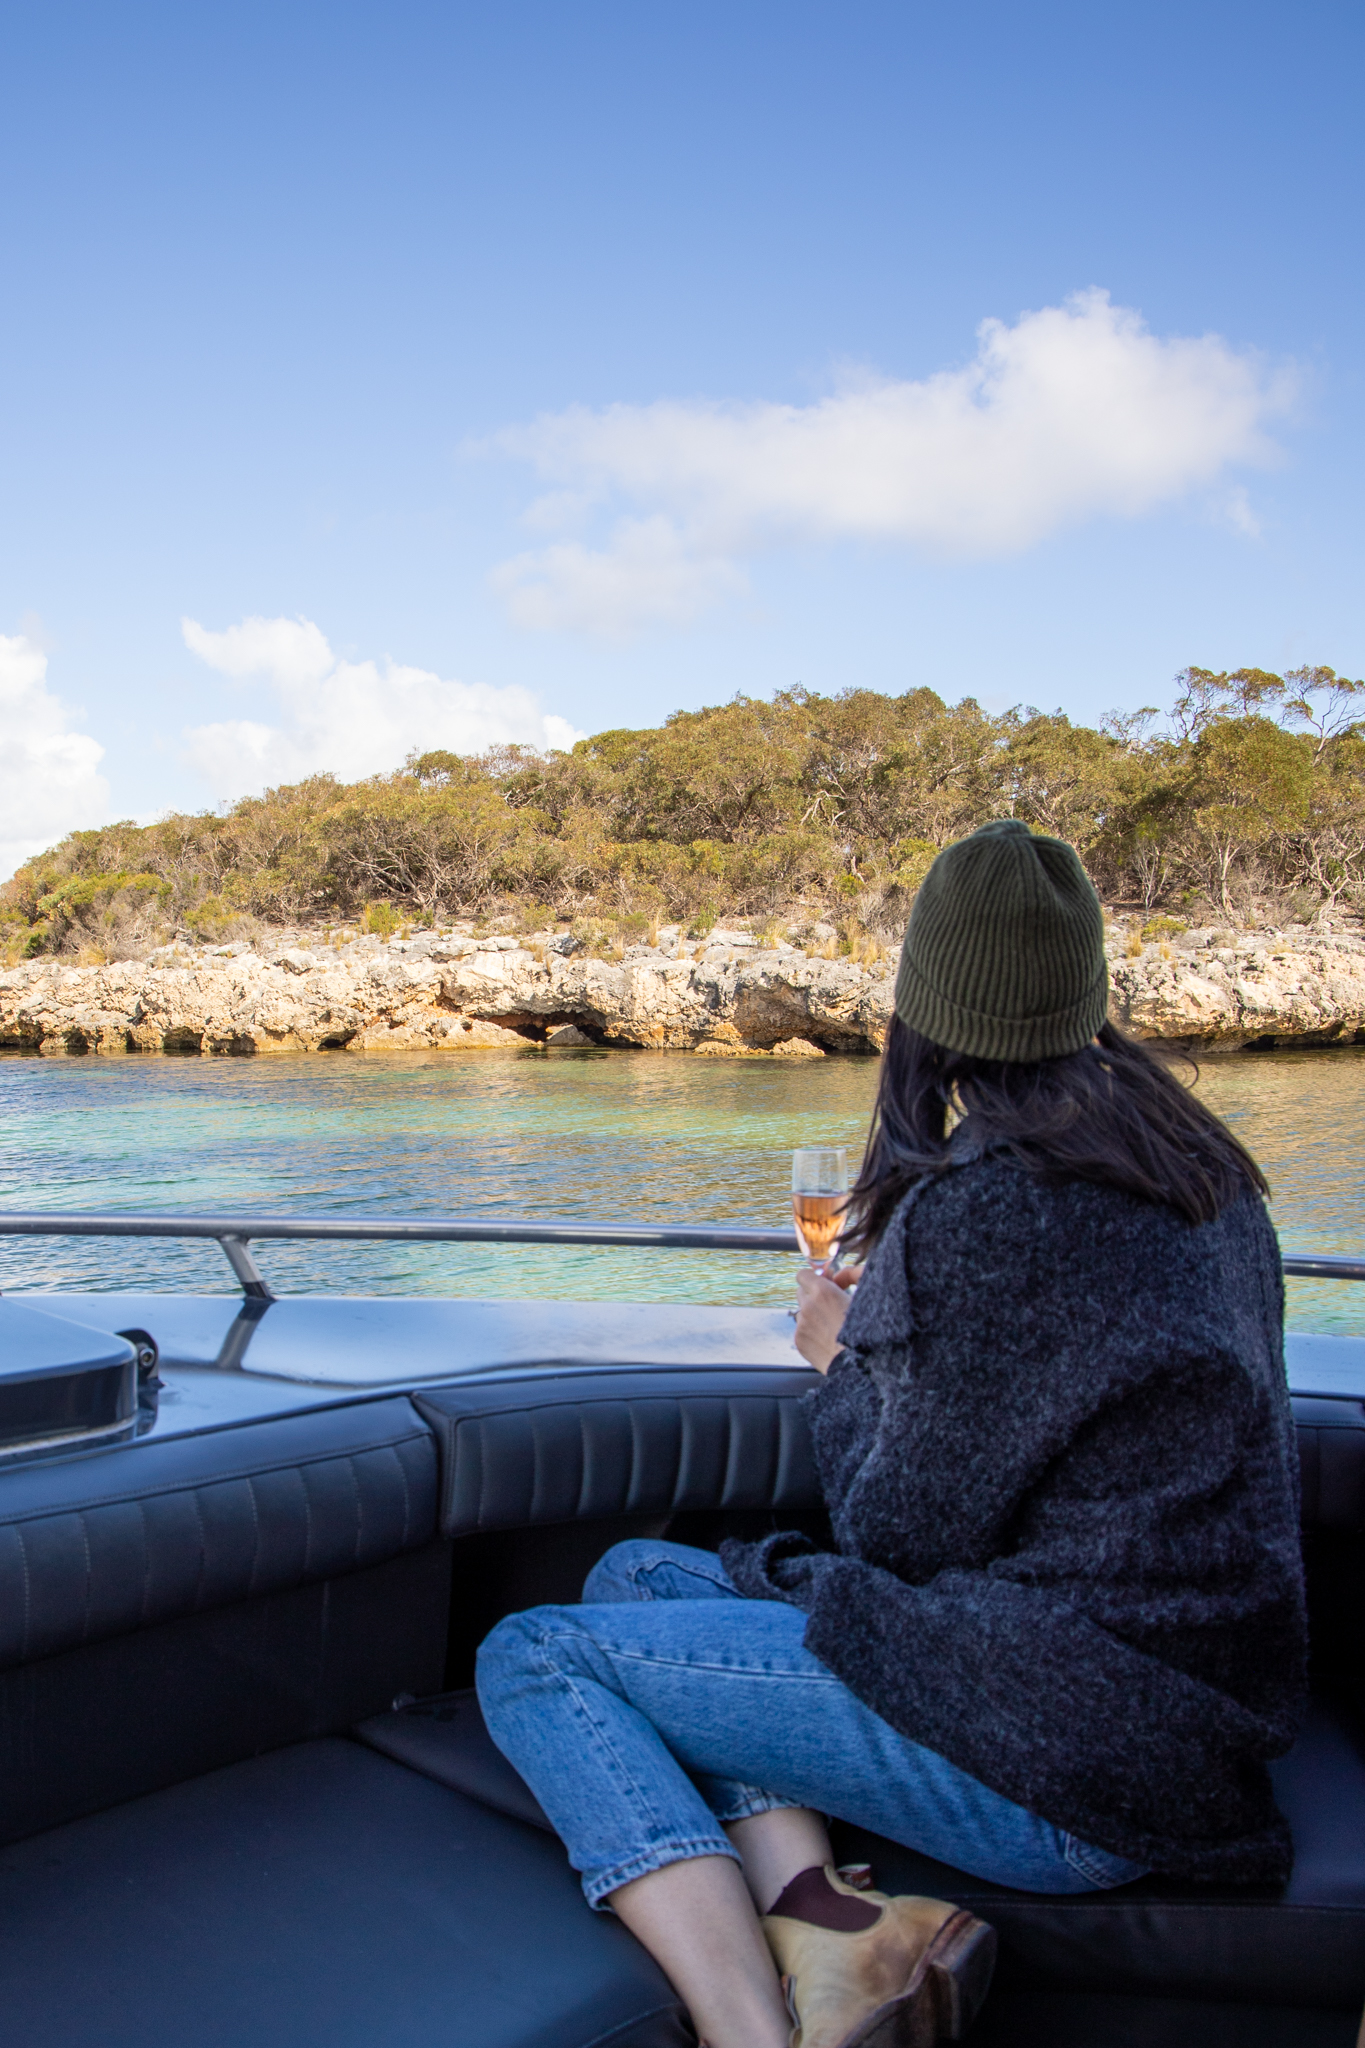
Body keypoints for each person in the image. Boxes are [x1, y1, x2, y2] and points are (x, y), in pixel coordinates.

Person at [476, 818, 1308, 2048]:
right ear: (1086, 991)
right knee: (631, 1574)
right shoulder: (1202, 1169)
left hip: (1070, 1762)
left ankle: (752, 2035)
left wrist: (841, 1357)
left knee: (539, 1651)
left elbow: (892, 1532)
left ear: (926, 1007)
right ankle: (826, 1924)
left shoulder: (985, 1206)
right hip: (1181, 1710)